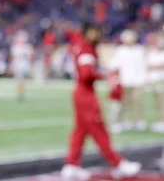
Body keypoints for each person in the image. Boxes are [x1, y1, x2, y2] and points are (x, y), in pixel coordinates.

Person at [61, 23, 140, 181]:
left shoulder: (80, 46)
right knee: (99, 129)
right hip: (85, 94)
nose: (96, 36)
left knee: (80, 131)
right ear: (86, 32)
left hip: (81, 92)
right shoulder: (86, 48)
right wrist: (104, 74)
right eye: (93, 32)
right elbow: (86, 74)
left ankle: (71, 165)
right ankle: (118, 163)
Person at [109, 29, 147, 131]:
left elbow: (144, 64)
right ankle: (128, 120)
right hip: (125, 80)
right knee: (126, 102)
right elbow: (114, 64)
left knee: (138, 101)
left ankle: (139, 120)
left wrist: (144, 77)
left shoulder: (139, 50)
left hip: (138, 80)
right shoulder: (120, 50)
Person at [9, 30, 34, 101]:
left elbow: (12, 57)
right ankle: (21, 93)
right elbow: (31, 56)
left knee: (19, 80)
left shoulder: (17, 47)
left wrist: (11, 65)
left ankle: (20, 93)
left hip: (19, 65)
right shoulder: (28, 47)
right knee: (22, 80)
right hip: (24, 65)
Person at [147, 32, 164, 133]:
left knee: (162, 102)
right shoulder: (151, 53)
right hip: (154, 80)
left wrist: (157, 66)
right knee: (156, 101)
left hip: (161, 79)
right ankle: (159, 121)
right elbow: (148, 66)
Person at [107, 70, 123, 134]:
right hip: (114, 98)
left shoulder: (116, 78)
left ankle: (117, 123)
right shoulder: (114, 78)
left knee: (118, 111)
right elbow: (114, 89)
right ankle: (114, 123)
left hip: (117, 98)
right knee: (115, 111)